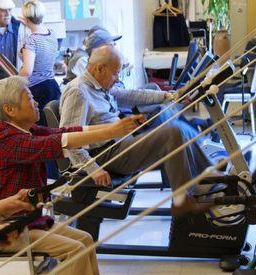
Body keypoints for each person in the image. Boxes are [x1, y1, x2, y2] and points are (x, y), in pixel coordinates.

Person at [0, 76, 144, 275]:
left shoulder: (26, 130)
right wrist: (114, 131)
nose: (35, 102)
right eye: (29, 98)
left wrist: (116, 127)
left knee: (85, 239)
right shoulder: (4, 138)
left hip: (27, 222)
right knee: (73, 249)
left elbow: (66, 134)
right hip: (4, 230)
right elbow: (56, 144)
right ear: (9, 110)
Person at [59, 45, 213, 216]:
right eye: (115, 73)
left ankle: (210, 177)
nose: (117, 79)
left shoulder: (101, 86)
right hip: (106, 155)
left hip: (121, 142)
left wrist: (169, 96)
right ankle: (182, 201)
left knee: (175, 122)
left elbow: (131, 95)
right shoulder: (78, 92)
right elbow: (68, 139)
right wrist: (93, 169)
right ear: (100, 68)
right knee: (173, 133)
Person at [18, 0, 60, 126]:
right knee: (53, 126)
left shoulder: (31, 41)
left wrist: (15, 79)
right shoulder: (52, 34)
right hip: (52, 86)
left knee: (40, 130)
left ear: (26, 19)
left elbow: (27, 70)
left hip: (38, 90)